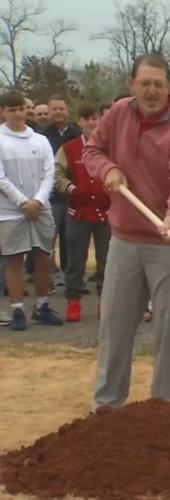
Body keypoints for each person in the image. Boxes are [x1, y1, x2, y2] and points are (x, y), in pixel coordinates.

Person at [84, 53, 170, 409]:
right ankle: (108, 406)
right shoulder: (118, 113)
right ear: (132, 85)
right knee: (115, 327)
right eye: (146, 83)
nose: (152, 91)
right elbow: (92, 150)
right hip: (124, 239)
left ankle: (164, 408)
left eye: (159, 85)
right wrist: (106, 169)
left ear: (169, 88)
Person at [0, 90, 65, 331]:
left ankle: (42, 306)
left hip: (40, 209)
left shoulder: (40, 140)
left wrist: (37, 201)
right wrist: (22, 202)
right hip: (10, 211)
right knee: (14, 260)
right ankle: (17, 309)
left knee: (43, 258)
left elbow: (49, 173)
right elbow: (1, 178)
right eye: (12, 110)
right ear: (3, 112)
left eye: (21, 109)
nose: (18, 114)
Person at [55, 105, 111, 322]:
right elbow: (57, 173)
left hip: (106, 212)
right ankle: (73, 301)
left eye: (94, 118)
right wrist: (71, 189)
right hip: (77, 212)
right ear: (78, 121)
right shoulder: (68, 148)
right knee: (76, 260)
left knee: (106, 260)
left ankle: (104, 302)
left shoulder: (110, 147)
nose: (91, 123)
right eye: (86, 119)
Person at [39, 95, 82, 283]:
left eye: (61, 109)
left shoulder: (76, 132)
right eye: (54, 109)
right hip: (52, 196)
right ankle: (50, 276)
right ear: (49, 112)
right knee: (50, 236)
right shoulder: (42, 135)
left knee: (71, 239)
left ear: (67, 111)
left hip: (75, 194)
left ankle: (69, 275)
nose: (58, 112)